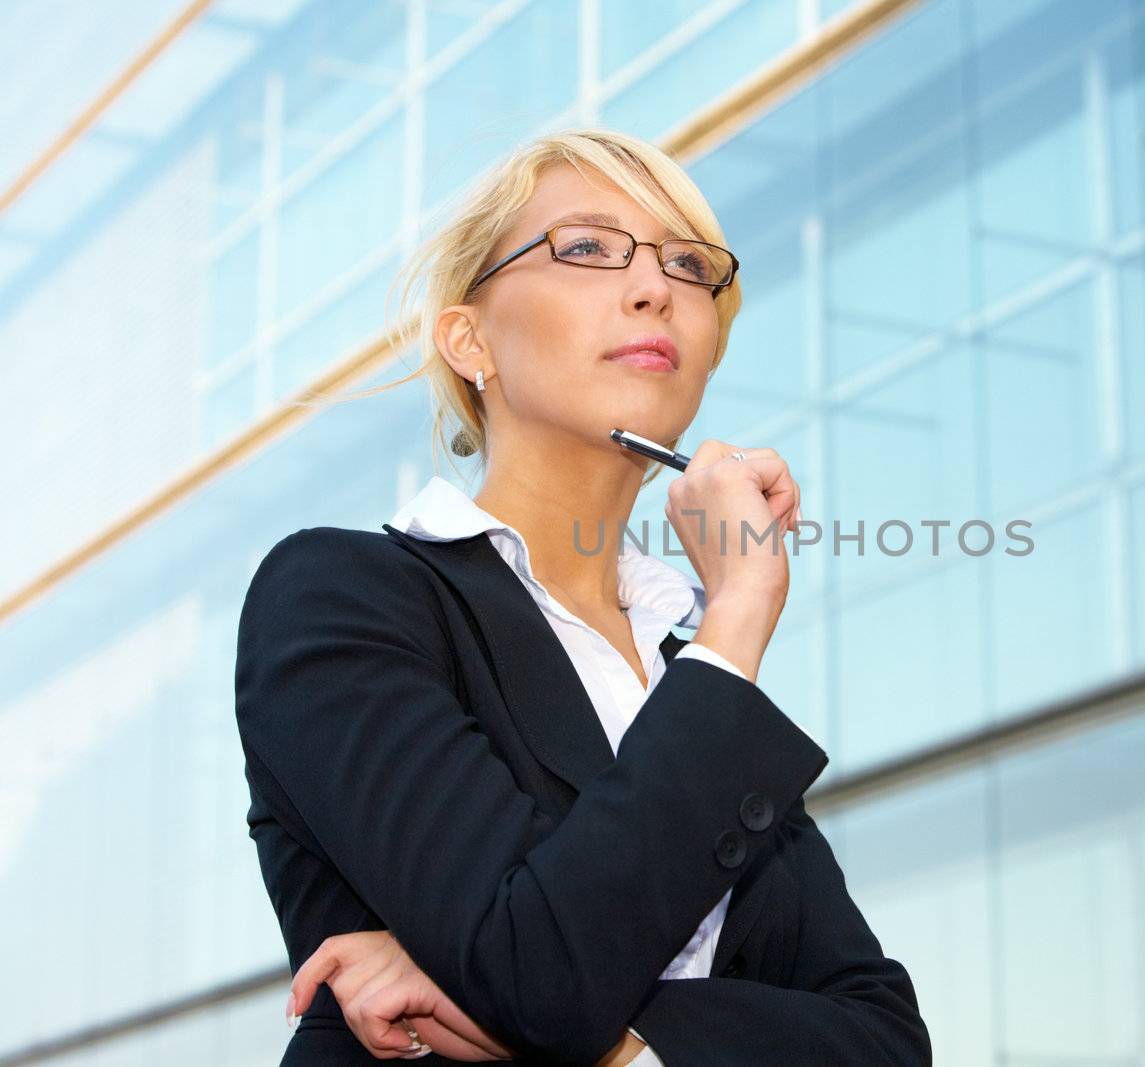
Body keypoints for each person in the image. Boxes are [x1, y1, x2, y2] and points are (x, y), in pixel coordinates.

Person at [233, 127, 932, 1066]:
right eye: (588, 248)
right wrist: (736, 616)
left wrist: (625, 1040)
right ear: (469, 337)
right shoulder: (342, 598)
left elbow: (886, 1039)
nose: (655, 287)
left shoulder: (685, 683)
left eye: (689, 264)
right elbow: (541, 973)